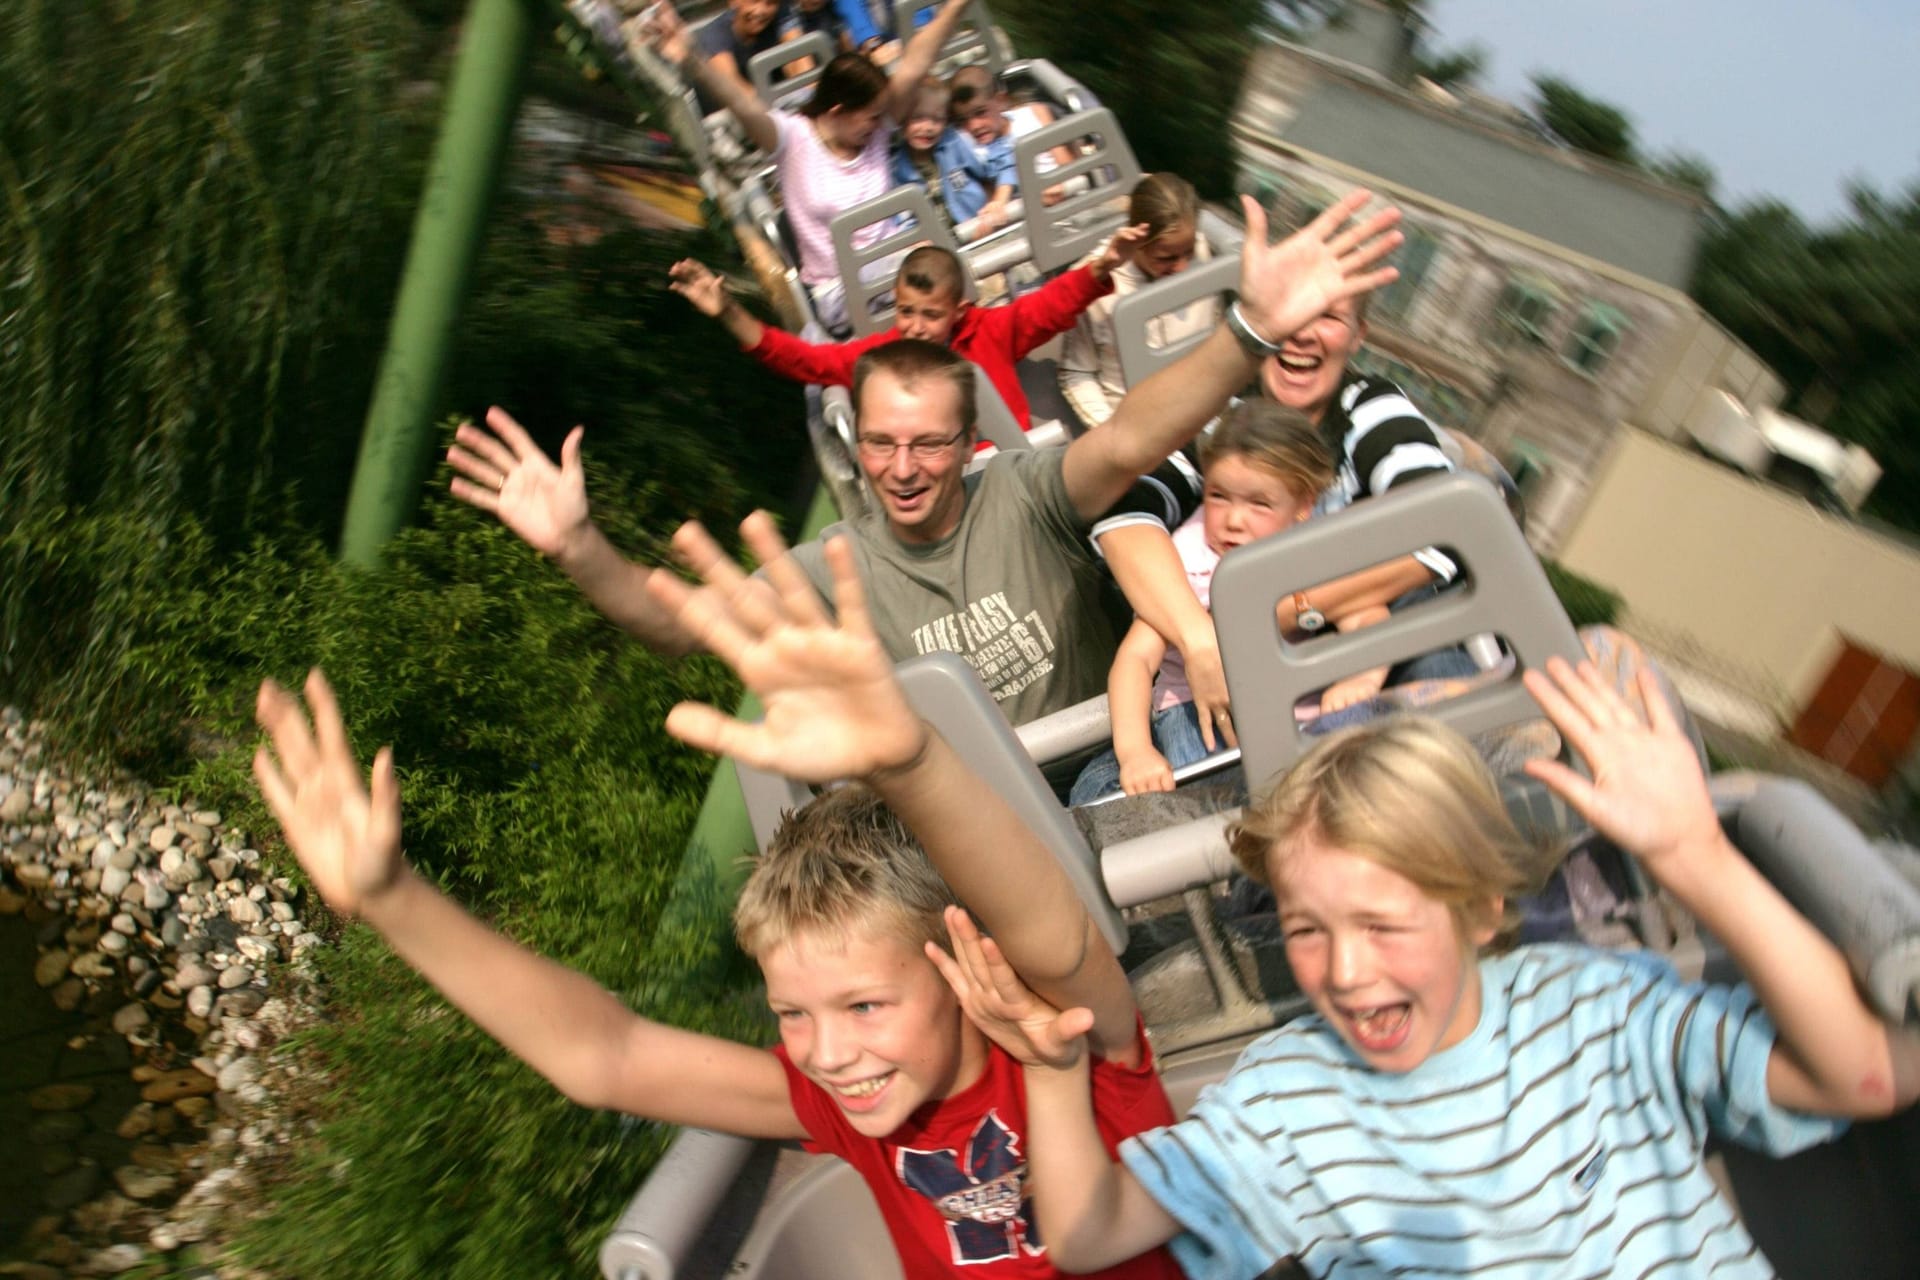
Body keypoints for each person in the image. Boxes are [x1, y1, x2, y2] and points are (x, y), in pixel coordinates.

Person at [249, 519, 1181, 1279]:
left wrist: (910, 761)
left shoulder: (1070, 1040)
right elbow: (605, 1056)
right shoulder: (838, 1099)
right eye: (791, 1013)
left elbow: (1056, 941)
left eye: (864, 1005)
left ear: (960, 958)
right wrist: (393, 899)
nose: (827, 1052)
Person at [935, 657, 1920, 1278]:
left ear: (1482, 906)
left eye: (1382, 920)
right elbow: (1090, 1229)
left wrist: (1699, 859)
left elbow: (1868, 1073)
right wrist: (1057, 1073)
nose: (1348, 970)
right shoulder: (1292, 1094)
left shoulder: (1599, 1008)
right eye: (1308, 927)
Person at [449, 191, 1404, 729]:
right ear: (855, 449)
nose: (904, 468)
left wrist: (1247, 333)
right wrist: (579, 547)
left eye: (929, 444)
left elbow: (1129, 437)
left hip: (1111, 746)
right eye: (880, 445)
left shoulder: (1023, 493)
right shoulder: (848, 566)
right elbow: (683, 626)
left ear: (967, 441)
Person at [1069, 403, 1391, 805]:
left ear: (1304, 506)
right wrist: (1136, 753)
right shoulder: (1188, 558)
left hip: (1300, 708)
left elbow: (1366, 616)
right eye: (1218, 496)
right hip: (1199, 712)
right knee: (1224, 798)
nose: (1233, 520)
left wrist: (1362, 679)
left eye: (1259, 503)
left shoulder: (1315, 550)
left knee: (1362, 741)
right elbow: (1135, 660)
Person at [647, 0, 981, 331]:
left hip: (897, 264)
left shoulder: (876, 132)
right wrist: (692, 58)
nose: (878, 125)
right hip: (840, 287)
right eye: (870, 118)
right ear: (837, 111)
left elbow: (915, 64)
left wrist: (955, 6)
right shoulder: (793, 139)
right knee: (929, 263)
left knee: (931, 262)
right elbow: (740, 103)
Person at [670, 237, 1132, 431]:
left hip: (1013, 462)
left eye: (930, 315)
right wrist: (728, 311)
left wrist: (1101, 267)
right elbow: (806, 359)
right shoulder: (883, 356)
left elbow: (1050, 305)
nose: (914, 326)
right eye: (905, 311)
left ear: (959, 311)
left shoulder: (991, 332)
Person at [1060, 173, 1221, 429]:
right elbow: (1078, 372)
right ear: (1137, 240)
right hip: (1136, 431)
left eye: (1188, 253)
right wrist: (1110, 434)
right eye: (1166, 258)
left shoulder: (1202, 251)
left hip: (1204, 412)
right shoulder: (1095, 283)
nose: (1181, 267)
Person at [891, 80, 1015, 242]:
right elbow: (902, 217)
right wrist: (916, 240)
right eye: (917, 117)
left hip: (979, 230)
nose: (928, 127)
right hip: (937, 251)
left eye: (937, 119)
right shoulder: (895, 167)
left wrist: (998, 201)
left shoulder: (955, 142)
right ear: (900, 120)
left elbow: (1003, 161)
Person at [948, 66, 1074, 206]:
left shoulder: (1035, 113)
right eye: (963, 120)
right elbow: (993, 199)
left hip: (1065, 192)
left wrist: (1060, 184)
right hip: (1026, 213)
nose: (974, 126)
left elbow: (1065, 162)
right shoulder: (975, 150)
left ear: (1001, 101)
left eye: (980, 112)